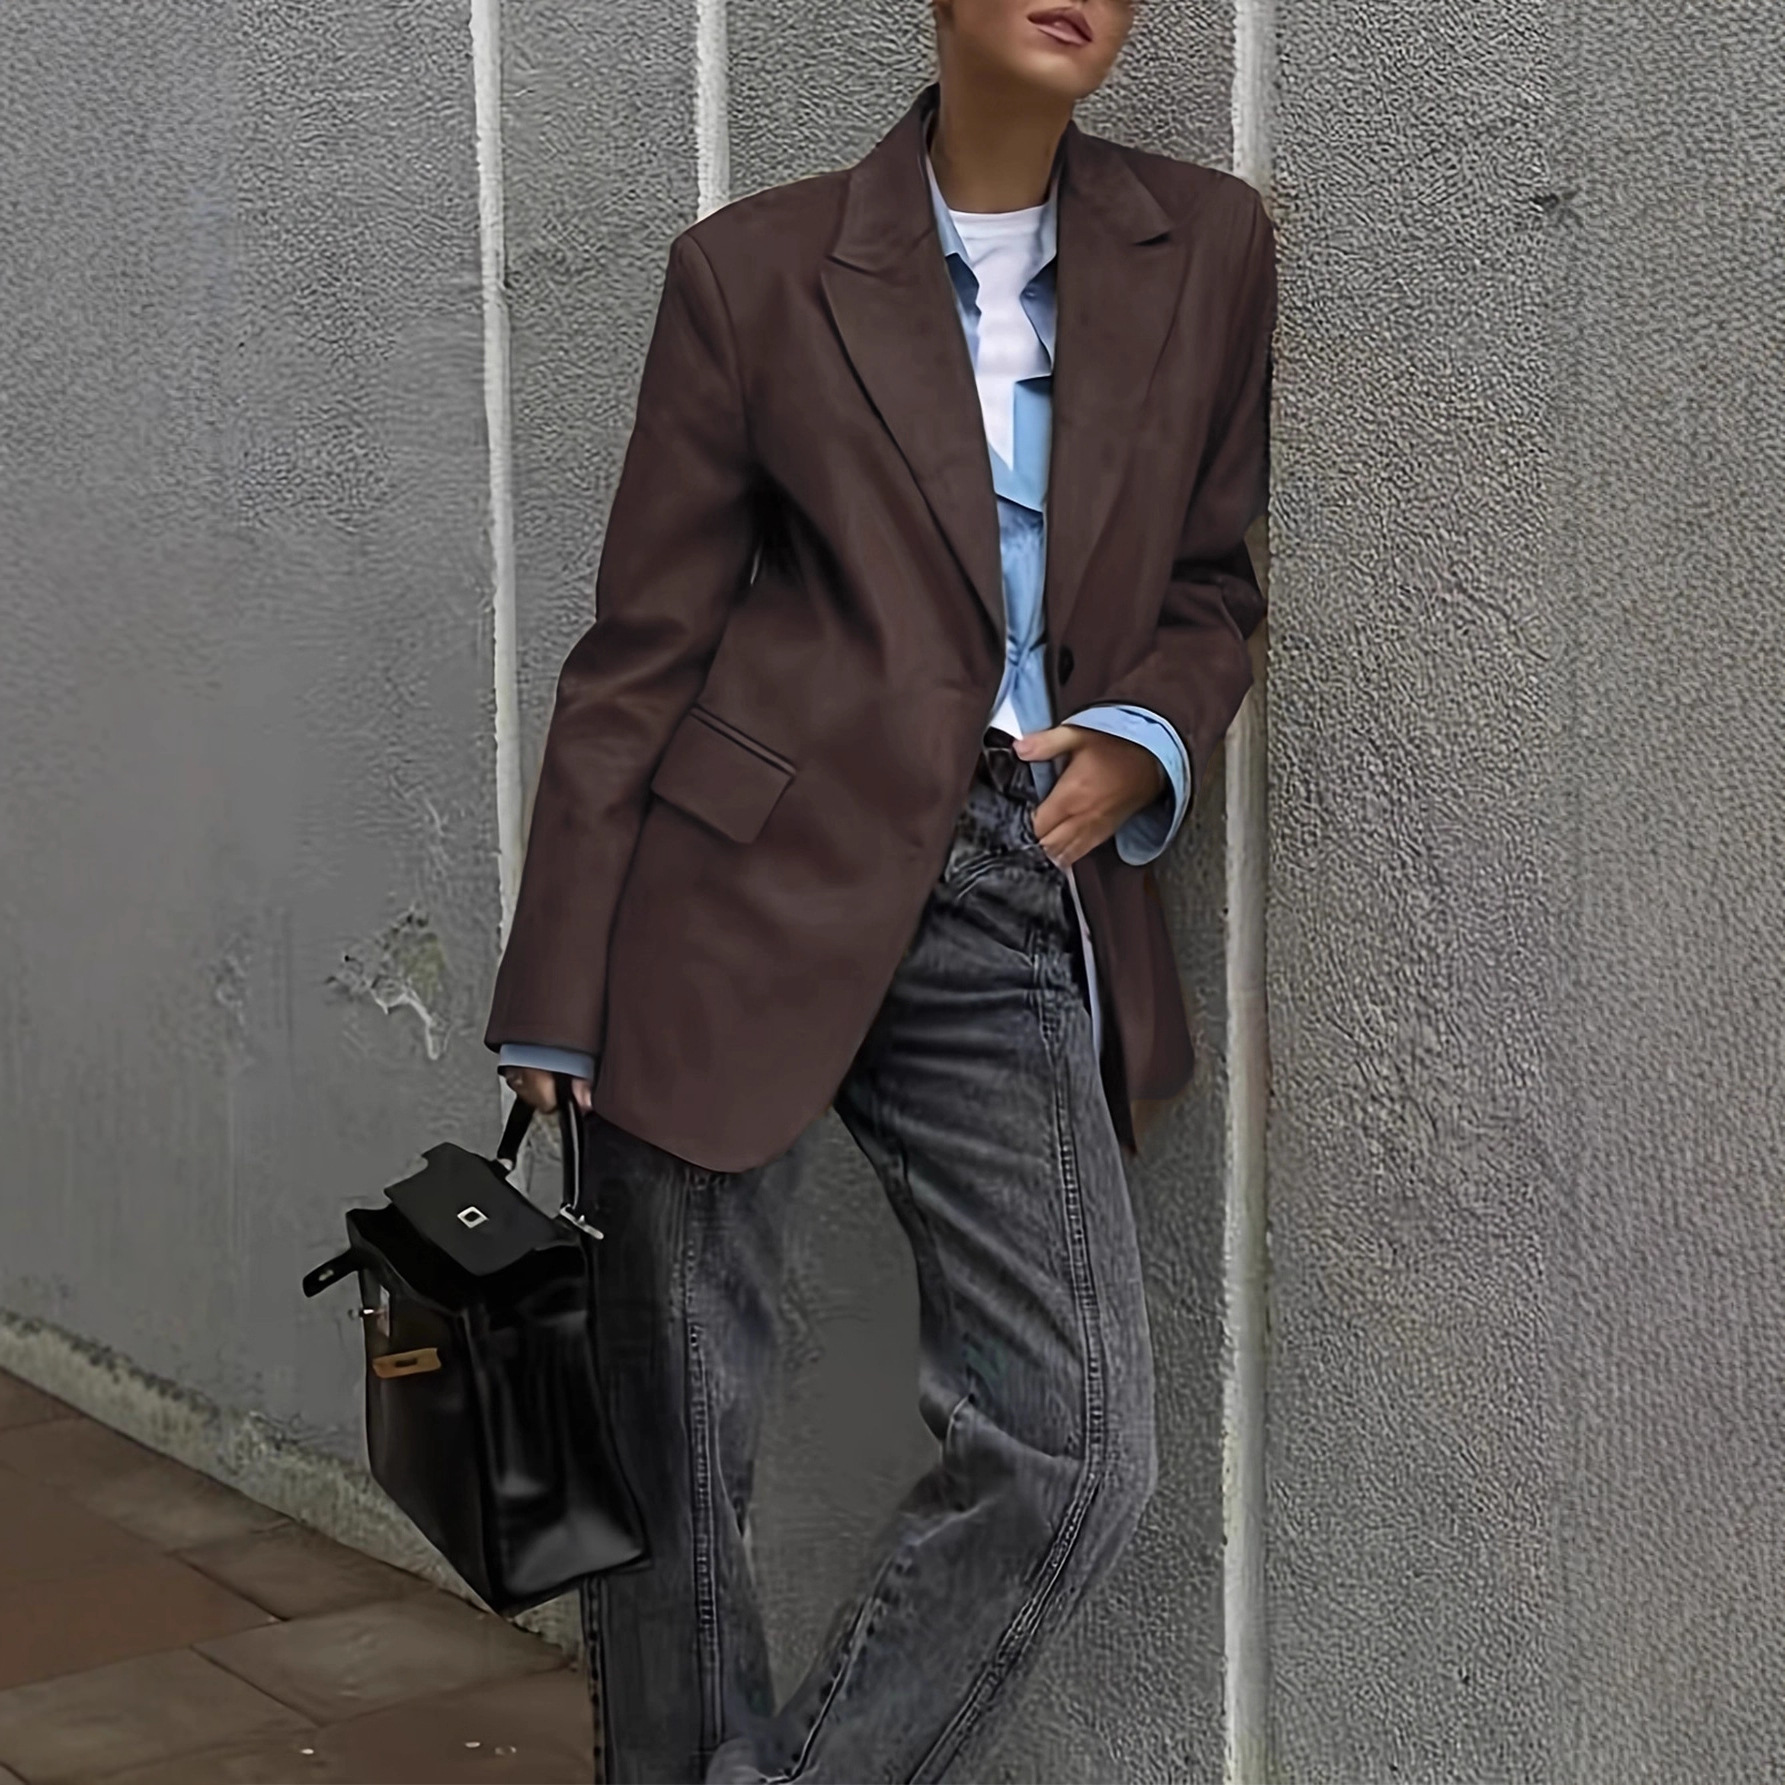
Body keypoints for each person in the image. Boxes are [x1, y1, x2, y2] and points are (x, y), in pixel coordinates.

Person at [490, 0, 1277, 1777]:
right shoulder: (749, 273)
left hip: (1012, 879)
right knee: (678, 1459)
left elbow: (1211, 582)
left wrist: (1143, 734)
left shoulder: (1207, 247)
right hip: (731, 895)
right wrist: (558, 984)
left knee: (1074, 1446)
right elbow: (641, 649)